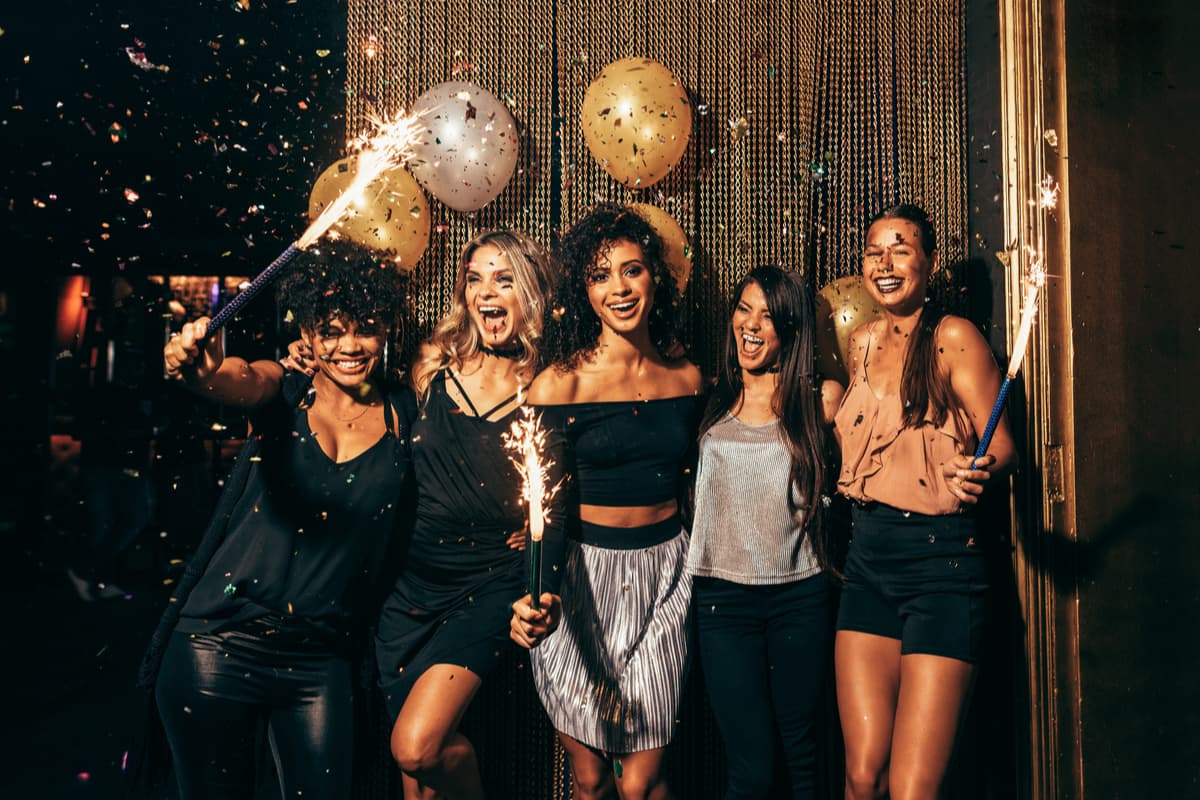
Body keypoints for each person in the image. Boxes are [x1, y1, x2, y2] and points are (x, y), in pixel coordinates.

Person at [142, 242, 413, 800]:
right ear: (307, 334)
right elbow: (236, 377)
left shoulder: (403, 414)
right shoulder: (284, 389)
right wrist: (199, 368)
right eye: (330, 331)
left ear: (385, 329)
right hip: (218, 646)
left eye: (365, 329)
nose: (349, 346)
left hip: (321, 658)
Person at [509, 204, 704, 800]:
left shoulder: (688, 377)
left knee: (641, 782)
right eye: (600, 275)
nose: (618, 288)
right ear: (585, 291)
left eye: (631, 270)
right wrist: (540, 591)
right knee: (591, 779)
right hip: (582, 585)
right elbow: (546, 510)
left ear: (654, 277)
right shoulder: (558, 384)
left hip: (666, 578)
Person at [833, 205, 1016, 800]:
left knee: (913, 790)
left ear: (929, 263)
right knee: (863, 777)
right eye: (874, 252)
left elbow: (1003, 446)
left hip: (941, 569)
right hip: (867, 564)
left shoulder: (953, 338)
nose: (885, 264)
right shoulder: (860, 344)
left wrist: (977, 470)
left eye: (901, 250)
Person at [369, 230, 555, 800]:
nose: (486, 292)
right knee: (418, 787)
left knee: (416, 747)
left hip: (485, 587)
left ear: (530, 291)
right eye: (475, 279)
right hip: (407, 589)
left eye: (503, 279)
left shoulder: (548, 385)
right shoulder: (432, 365)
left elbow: (564, 491)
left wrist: (542, 548)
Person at [685, 266, 844, 799]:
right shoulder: (707, 398)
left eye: (768, 316)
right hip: (722, 602)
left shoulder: (819, 401)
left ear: (791, 329)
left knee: (802, 759)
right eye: (744, 309)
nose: (750, 325)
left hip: (799, 596)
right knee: (750, 770)